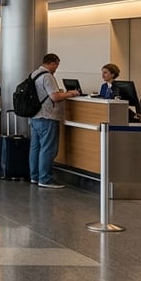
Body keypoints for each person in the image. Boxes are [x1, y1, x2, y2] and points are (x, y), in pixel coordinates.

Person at [28, 53, 80, 189]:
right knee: (48, 149)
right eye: (56, 65)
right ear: (52, 63)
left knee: (35, 148)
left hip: (34, 117)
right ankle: (45, 179)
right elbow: (55, 97)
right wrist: (71, 93)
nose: (56, 68)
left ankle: (34, 176)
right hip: (47, 116)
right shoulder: (47, 76)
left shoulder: (34, 74)